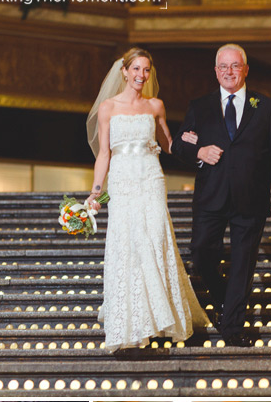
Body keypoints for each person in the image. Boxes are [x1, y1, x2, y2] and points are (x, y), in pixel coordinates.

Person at [85, 47, 209, 353]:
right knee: (129, 244)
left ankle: (163, 317)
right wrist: (96, 190)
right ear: (124, 71)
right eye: (136, 69)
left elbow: (167, 144)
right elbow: (104, 153)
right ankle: (133, 321)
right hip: (122, 180)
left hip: (151, 178)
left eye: (146, 70)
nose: (141, 75)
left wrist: (189, 140)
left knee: (155, 239)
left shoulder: (156, 105)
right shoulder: (108, 108)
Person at [172, 43, 271, 347]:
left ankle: (233, 328)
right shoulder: (200, 106)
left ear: (245, 69)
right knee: (201, 253)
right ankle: (228, 299)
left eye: (235, 65)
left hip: (251, 197)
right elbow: (178, 147)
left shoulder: (266, 107)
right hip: (211, 196)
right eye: (223, 66)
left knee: (243, 263)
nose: (229, 71)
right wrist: (199, 150)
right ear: (215, 71)